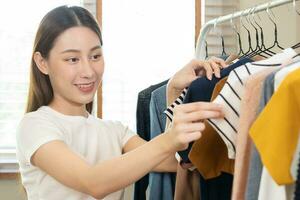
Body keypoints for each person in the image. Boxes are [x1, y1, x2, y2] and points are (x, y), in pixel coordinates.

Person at [16, 5, 227, 200]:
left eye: (95, 56)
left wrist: (173, 90)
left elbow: (175, 161)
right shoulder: (34, 126)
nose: (88, 71)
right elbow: (93, 182)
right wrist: (170, 138)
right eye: (72, 59)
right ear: (42, 63)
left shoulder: (115, 131)